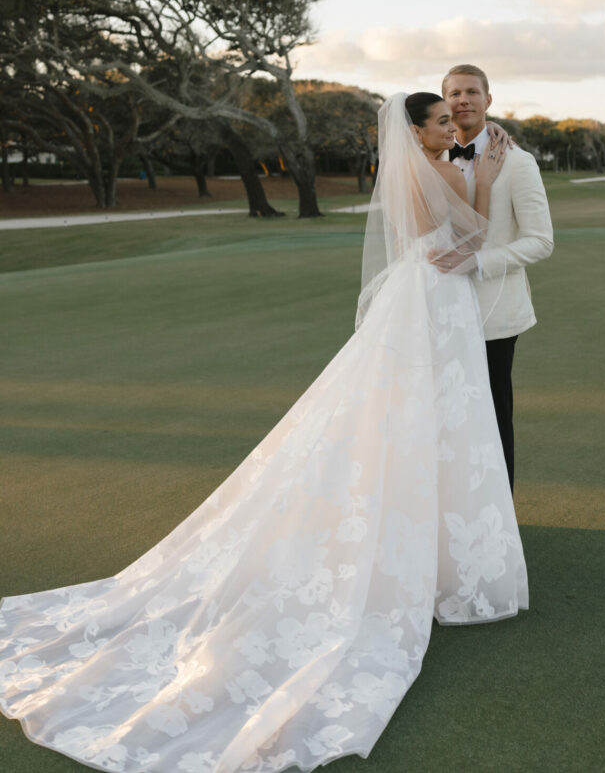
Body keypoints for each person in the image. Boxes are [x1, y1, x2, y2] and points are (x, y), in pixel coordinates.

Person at [0, 93, 528, 773]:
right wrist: (484, 173)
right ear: (419, 131)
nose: (449, 126)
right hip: (436, 301)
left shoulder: (405, 170)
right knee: (431, 419)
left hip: (420, 297)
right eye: (438, 121)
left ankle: (425, 543)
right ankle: (431, 555)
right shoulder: (446, 173)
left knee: (412, 418)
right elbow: (475, 235)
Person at [431, 65, 554, 491]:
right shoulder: (431, 160)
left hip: (494, 313)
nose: (462, 100)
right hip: (439, 311)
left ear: (488, 100)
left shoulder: (518, 162)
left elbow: (541, 241)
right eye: (454, 93)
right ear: (443, 101)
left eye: (471, 92)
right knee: (445, 418)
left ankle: (498, 527)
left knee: (494, 417)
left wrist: (479, 263)